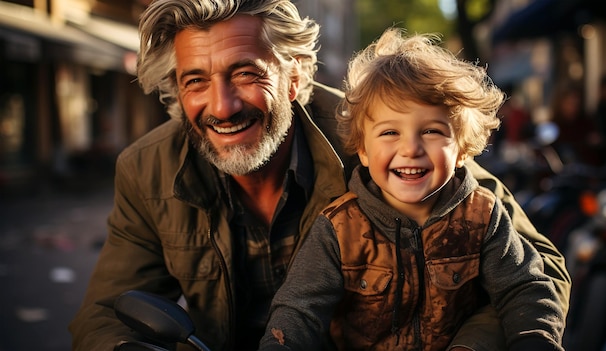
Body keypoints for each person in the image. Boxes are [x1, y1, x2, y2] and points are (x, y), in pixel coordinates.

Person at [68, 1, 570, 350]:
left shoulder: (382, 132)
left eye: (246, 73)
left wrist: (471, 347)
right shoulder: (144, 168)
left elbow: (538, 271)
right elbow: (108, 313)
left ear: (295, 77)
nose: (221, 106)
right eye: (195, 81)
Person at [257, 28, 565, 351]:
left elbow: (524, 288)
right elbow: (298, 312)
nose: (411, 148)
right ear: (362, 150)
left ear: (462, 149)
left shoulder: (482, 216)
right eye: (390, 132)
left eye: (431, 131)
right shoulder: (339, 228)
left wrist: (535, 340)